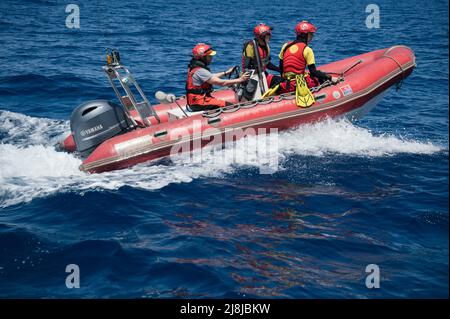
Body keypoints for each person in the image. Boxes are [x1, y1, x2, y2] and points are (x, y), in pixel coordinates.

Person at [278, 21, 339, 93]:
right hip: (299, 84)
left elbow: (281, 68)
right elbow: (313, 72)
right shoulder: (307, 50)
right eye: (311, 34)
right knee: (318, 77)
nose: (312, 37)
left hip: (286, 85)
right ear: (305, 35)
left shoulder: (285, 46)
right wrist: (330, 78)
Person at [186, 43, 249, 111]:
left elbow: (210, 77)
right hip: (199, 103)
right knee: (230, 106)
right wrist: (240, 79)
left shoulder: (195, 68)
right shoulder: (200, 71)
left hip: (196, 101)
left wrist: (226, 73)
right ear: (202, 57)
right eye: (209, 56)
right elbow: (222, 83)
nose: (211, 58)